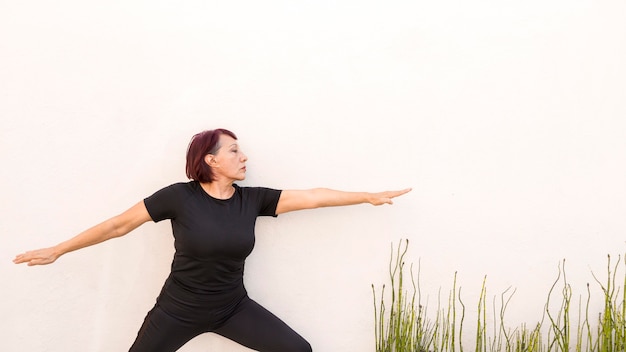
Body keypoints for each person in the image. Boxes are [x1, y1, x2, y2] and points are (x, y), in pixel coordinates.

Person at [13, 128, 411, 352]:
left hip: (232, 307)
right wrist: (59, 249)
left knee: (298, 351)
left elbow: (313, 196)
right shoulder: (178, 197)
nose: (244, 158)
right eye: (235, 150)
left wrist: (366, 195)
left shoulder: (253, 200)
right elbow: (118, 225)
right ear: (210, 159)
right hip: (177, 310)